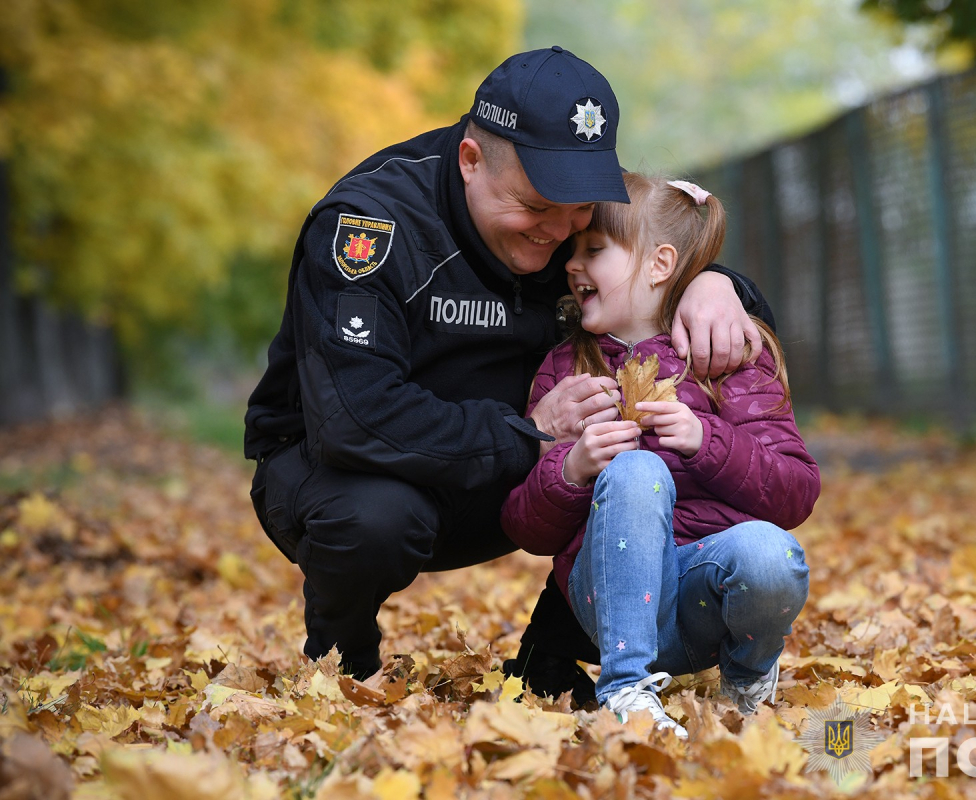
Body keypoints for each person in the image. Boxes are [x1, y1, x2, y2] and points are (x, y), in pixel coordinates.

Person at [243, 47, 775, 695]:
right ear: (471, 162)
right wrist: (532, 434)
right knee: (375, 517)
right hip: (350, 473)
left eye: (579, 210)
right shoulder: (372, 223)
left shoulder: (569, 209)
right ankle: (342, 654)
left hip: (515, 474)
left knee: (640, 450)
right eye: (536, 206)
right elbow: (355, 422)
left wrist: (716, 287)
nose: (558, 232)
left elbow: (661, 247)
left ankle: (552, 657)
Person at [500, 173, 820, 737]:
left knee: (772, 552)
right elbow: (526, 529)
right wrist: (571, 471)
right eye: (571, 251)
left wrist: (708, 442)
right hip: (606, 601)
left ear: (659, 263)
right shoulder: (563, 371)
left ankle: (747, 676)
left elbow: (796, 491)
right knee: (637, 468)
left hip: (706, 597)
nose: (572, 265)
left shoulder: (731, 356)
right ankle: (625, 687)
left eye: (593, 250)